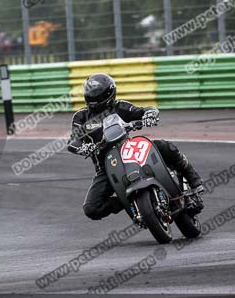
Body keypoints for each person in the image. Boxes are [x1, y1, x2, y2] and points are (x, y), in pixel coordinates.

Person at [68, 73, 204, 220]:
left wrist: (149, 114)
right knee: (91, 209)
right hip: (106, 167)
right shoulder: (80, 117)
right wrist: (82, 148)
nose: (94, 99)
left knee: (165, 146)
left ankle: (193, 180)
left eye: (97, 95)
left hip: (131, 151)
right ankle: (124, 200)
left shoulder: (121, 106)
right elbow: (73, 140)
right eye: (91, 95)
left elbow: (142, 110)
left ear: (109, 93)